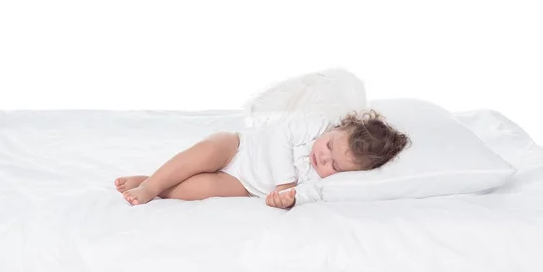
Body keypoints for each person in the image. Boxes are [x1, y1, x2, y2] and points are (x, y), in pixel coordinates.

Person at [115, 110, 410, 208]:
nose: (324, 158)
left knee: (200, 190)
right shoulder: (315, 126)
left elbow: (309, 192)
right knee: (204, 155)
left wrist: (289, 198)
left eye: (335, 165)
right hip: (240, 148)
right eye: (330, 146)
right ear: (336, 128)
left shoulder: (328, 181)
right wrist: (285, 182)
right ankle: (151, 185)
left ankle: (153, 184)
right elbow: (279, 136)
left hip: (245, 184)